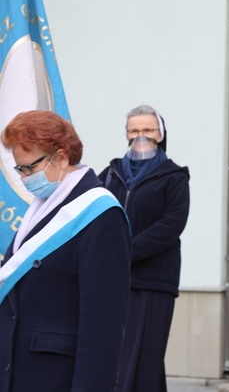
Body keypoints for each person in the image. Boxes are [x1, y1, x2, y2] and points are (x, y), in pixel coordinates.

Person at [0, 110, 131, 392]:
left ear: (60, 157)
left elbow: (103, 323)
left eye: (29, 168)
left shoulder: (100, 215)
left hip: (55, 375)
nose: (25, 178)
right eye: (19, 170)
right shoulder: (41, 208)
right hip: (18, 370)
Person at [99, 105, 190, 392]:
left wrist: (125, 251)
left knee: (143, 356)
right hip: (115, 279)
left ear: (161, 135)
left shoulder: (174, 177)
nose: (141, 136)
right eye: (134, 130)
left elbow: (170, 226)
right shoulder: (110, 174)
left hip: (153, 280)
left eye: (148, 130)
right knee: (123, 357)